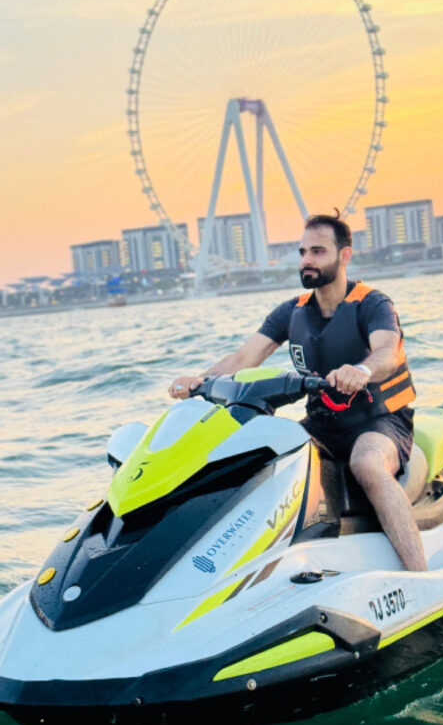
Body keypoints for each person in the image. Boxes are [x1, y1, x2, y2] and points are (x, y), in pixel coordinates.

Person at [169, 213, 427, 572]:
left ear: (345, 255)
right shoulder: (292, 312)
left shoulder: (372, 303)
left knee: (366, 464)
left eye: (318, 251)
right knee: (256, 459)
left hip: (379, 421)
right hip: (323, 424)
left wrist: (362, 369)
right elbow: (245, 357)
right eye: (303, 251)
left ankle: (419, 573)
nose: (307, 260)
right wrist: (199, 380)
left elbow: (387, 350)